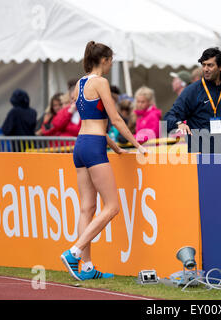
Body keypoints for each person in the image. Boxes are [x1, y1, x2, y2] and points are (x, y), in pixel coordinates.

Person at [60, 41, 147, 281]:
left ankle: (86, 267)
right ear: (105, 60)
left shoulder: (80, 83)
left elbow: (94, 123)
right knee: (113, 207)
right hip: (94, 147)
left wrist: (117, 147)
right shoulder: (101, 82)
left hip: (80, 146)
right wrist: (137, 145)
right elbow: (116, 119)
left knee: (87, 208)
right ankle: (74, 252)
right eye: (111, 60)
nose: (111, 64)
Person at [164, 47, 221, 153]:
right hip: (199, 153)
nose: (206, 69)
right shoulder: (192, 91)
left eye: (210, 65)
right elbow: (169, 117)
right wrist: (179, 124)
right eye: (204, 65)